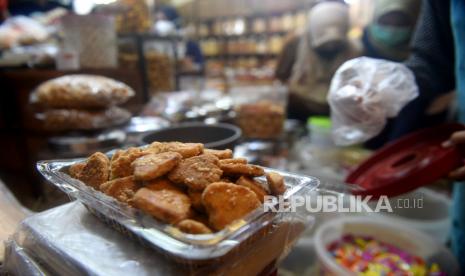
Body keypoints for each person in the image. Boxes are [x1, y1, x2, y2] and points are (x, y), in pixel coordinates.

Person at [275, 1, 361, 122]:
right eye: (324, 44)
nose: (330, 48)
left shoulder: (354, 49)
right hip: (299, 108)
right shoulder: (295, 44)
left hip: (338, 112)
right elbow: (281, 75)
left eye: (335, 44)